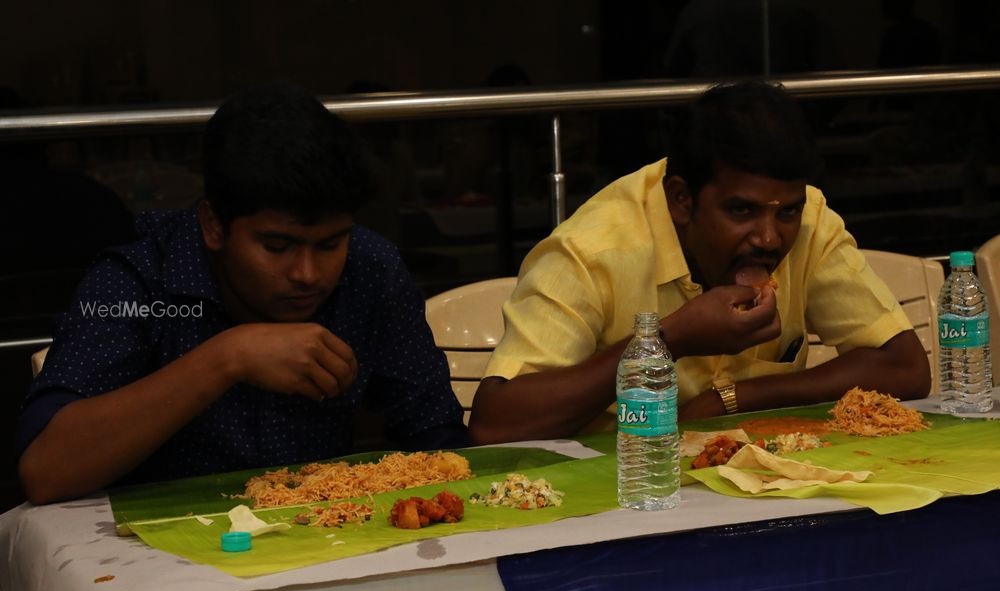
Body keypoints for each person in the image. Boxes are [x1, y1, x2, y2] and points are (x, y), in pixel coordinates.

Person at [16, 83, 467, 504]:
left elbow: (437, 437)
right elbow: (45, 469)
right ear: (213, 225)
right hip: (158, 554)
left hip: (324, 535)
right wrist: (228, 357)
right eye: (277, 246)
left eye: (330, 244)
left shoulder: (370, 269)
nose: (308, 273)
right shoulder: (137, 280)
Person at [469, 80, 931, 444]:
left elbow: (906, 369)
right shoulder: (592, 250)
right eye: (741, 211)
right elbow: (495, 425)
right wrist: (668, 342)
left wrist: (732, 399)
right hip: (624, 499)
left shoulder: (810, 221)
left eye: (786, 211)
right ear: (682, 200)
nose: (770, 237)